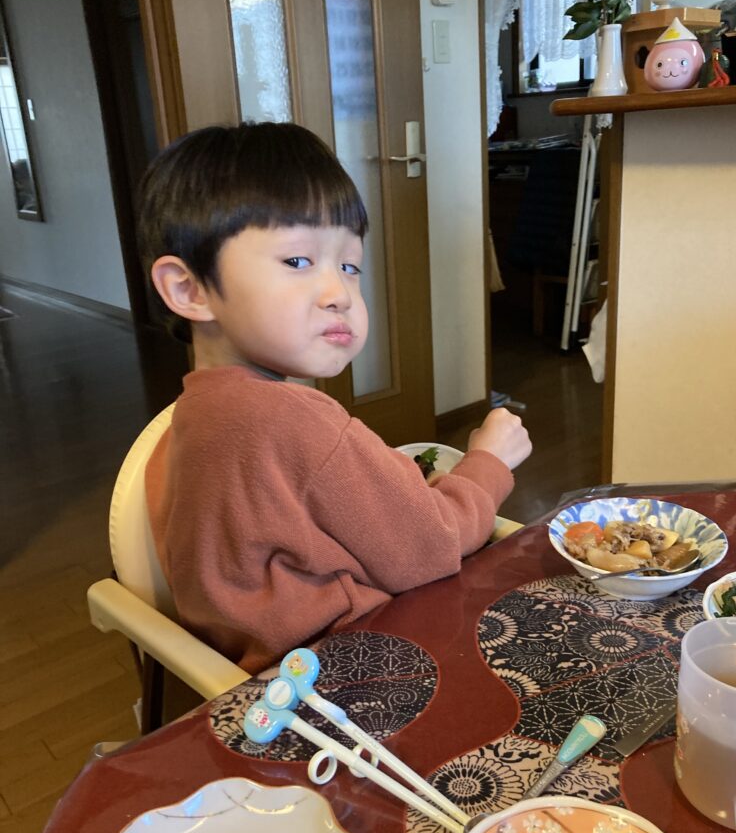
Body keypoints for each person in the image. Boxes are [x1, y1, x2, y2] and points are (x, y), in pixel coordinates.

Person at [139, 122, 532, 675]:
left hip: (258, 673)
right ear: (190, 289)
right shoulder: (292, 418)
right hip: (351, 673)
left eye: (349, 266)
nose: (339, 294)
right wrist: (488, 460)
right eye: (297, 261)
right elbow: (435, 544)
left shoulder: (197, 411)